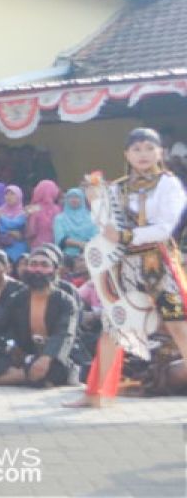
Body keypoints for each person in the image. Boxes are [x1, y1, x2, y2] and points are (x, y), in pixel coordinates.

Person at [68, 128, 187, 408]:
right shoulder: (117, 187)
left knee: (178, 325)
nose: (143, 154)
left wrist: (124, 237)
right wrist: (94, 197)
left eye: (148, 148)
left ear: (160, 152)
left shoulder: (168, 184)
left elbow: (164, 228)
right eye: (136, 149)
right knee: (113, 328)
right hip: (125, 265)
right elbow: (105, 226)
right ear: (126, 154)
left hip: (158, 263)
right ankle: (95, 394)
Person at [0, 245, 79, 388]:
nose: (38, 270)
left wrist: (46, 358)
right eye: (33, 264)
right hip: (24, 355)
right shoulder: (18, 298)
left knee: (54, 370)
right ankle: (24, 376)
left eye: (44, 265)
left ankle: (0, 379)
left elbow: (64, 334)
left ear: (55, 270)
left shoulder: (65, 301)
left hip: (53, 356)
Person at [54, 187, 97, 267]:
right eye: (70, 197)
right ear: (66, 200)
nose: (74, 200)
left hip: (88, 256)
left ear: (82, 199)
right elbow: (60, 238)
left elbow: (96, 235)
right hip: (66, 258)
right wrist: (80, 244)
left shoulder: (91, 217)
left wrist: (86, 247)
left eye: (77, 197)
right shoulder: (59, 218)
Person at [0, 185, 29, 264]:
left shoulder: (23, 212)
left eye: (12, 194)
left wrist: (1, 217)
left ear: (19, 196)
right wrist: (9, 232)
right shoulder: (0, 210)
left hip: (17, 248)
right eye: (6, 194)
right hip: (2, 246)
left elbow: (12, 224)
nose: (8, 197)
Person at [25, 179, 61, 251]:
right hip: (54, 246)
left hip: (37, 245)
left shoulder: (33, 208)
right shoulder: (58, 209)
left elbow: (31, 231)